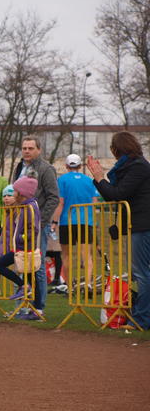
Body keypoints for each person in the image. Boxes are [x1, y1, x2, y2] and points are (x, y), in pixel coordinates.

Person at [86, 131, 150, 330]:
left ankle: (141, 319)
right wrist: (100, 179)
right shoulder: (129, 167)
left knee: (142, 274)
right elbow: (112, 195)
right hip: (136, 225)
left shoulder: (138, 166)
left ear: (116, 149)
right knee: (139, 273)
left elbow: (117, 194)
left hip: (142, 225)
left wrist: (99, 178)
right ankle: (140, 315)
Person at [12, 135, 59, 319]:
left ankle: (38, 309)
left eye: (30, 148)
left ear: (39, 150)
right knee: (20, 263)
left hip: (37, 224)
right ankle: (21, 307)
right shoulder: (19, 167)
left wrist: (41, 221)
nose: (27, 151)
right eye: (24, 148)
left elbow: (53, 197)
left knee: (37, 266)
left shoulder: (46, 169)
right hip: (20, 223)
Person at [0, 177, 41, 314]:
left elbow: (33, 229)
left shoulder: (29, 207)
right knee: (31, 277)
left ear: (22, 192)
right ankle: (35, 307)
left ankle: (33, 304)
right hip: (22, 247)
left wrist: (20, 238)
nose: (13, 194)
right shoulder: (25, 206)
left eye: (15, 191)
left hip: (25, 248)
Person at [51, 154, 99, 289]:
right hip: (86, 221)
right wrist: (94, 222)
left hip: (67, 221)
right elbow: (95, 203)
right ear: (80, 166)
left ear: (66, 166)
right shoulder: (89, 180)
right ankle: (88, 284)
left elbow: (60, 203)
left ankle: (69, 286)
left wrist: (54, 222)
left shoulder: (62, 180)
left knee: (66, 255)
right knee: (87, 255)